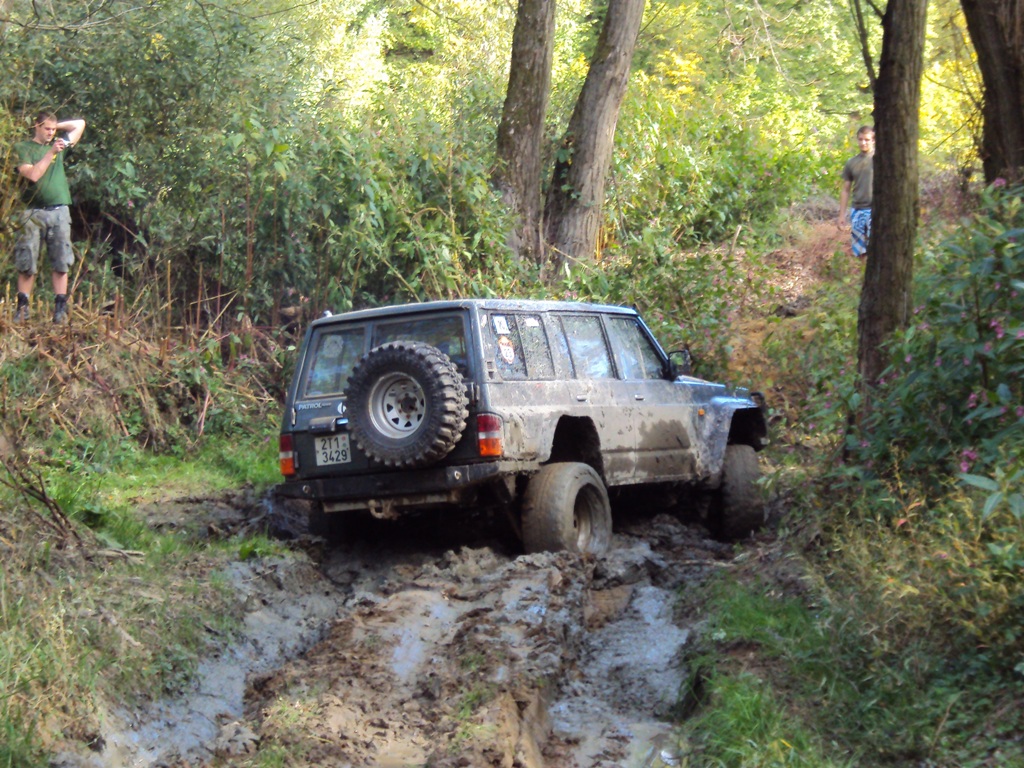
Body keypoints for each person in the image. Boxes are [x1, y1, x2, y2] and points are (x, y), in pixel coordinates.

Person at [11, 110, 87, 324]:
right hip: (31, 211)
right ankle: (23, 309)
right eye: (46, 128)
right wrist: (51, 152)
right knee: (27, 261)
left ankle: (60, 309)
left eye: (53, 130)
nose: (51, 133)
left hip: (59, 211)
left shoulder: (58, 145)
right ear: (36, 126)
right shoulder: (23, 148)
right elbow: (33, 175)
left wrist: (55, 126)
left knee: (61, 260)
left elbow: (80, 124)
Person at [838, 125, 874, 259]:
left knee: (875, 248)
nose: (863, 143)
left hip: (875, 210)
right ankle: (863, 271)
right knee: (860, 251)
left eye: (867, 139)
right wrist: (842, 215)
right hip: (857, 210)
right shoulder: (851, 163)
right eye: (860, 139)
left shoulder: (881, 160)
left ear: (873, 140)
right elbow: (845, 190)